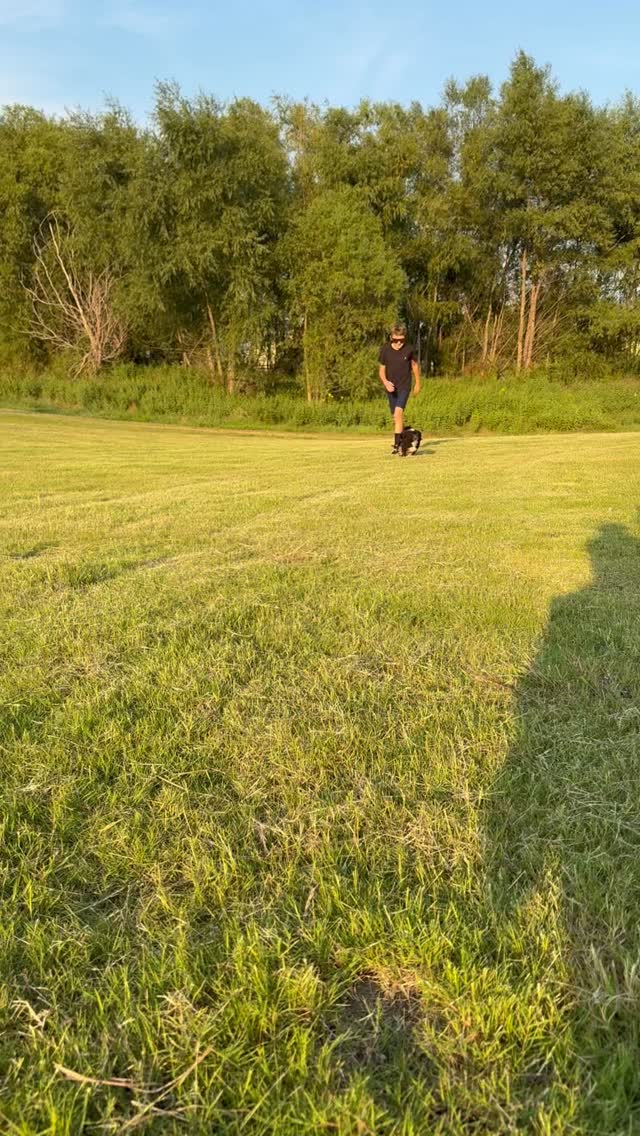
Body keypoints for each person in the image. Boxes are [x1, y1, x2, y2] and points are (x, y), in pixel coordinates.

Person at [378, 324, 421, 455]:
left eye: (401, 340)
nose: (398, 343)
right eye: (396, 340)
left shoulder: (409, 349)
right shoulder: (385, 350)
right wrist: (385, 382)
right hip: (391, 388)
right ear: (391, 338)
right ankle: (409, 436)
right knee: (395, 418)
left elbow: (414, 366)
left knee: (398, 413)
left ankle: (398, 446)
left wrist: (418, 383)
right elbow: (381, 370)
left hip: (404, 386)